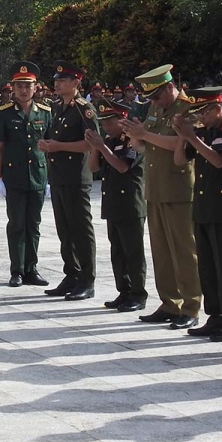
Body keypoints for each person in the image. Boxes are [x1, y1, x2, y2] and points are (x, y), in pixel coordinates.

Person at [122, 64, 200, 329]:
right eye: (150, 98)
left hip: (179, 188)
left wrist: (145, 135)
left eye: (156, 96)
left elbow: (181, 144)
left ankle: (191, 305)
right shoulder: (156, 108)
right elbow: (144, 142)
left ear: (170, 87)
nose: (153, 102)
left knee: (184, 251)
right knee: (162, 251)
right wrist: (135, 136)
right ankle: (169, 303)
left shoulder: (188, 109)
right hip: (155, 187)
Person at [172, 88, 222, 342]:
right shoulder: (202, 133)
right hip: (203, 203)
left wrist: (191, 137)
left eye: (203, 112)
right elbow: (180, 160)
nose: (200, 118)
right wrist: (183, 136)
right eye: (197, 113)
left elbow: (218, 160)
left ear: (217, 108)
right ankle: (215, 316)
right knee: (207, 264)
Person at [39, 63, 99, 300]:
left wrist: (59, 146)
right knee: (65, 229)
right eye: (56, 79)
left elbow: (92, 143)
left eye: (63, 80)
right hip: (59, 176)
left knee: (80, 230)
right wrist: (47, 146)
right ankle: (71, 275)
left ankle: (87, 279)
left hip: (77, 176)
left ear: (76, 83)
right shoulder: (58, 108)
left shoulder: (84, 109)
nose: (57, 83)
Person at [87, 100, 148, 312]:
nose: (106, 128)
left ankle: (138, 294)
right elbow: (93, 167)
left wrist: (101, 147)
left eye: (110, 123)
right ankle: (124, 290)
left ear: (122, 122)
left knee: (133, 251)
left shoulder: (132, 140)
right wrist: (96, 148)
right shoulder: (108, 141)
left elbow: (122, 166)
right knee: (118, 251)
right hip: (112, 201)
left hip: (131, 203)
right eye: (103, 124)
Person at [0, 61, 52, 287]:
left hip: (38, 176)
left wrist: (50, 179)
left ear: (36, 87)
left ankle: (32, 269)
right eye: (19, 86)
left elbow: (49, 146)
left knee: (34, 224)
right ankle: (17, 270)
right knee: (16, 224)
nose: (23, 90)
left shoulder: (45, 112)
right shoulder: (4, 113)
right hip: (14, 176)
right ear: (12, 88)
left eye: (28, 85)